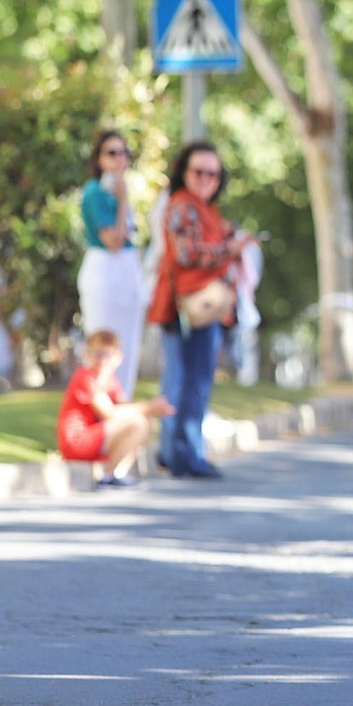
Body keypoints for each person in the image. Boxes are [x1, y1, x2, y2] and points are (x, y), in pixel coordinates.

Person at [148, 142, 252, 479]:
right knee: (187, 381)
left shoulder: (207, 209)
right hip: (186, 307)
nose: (207, 179)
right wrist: (228, 248)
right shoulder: (182, 206)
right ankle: (183, 453)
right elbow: (185, 254)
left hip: (204, 308)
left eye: (213, 173)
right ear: (184, 172)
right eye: (199, 172)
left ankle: (179, 450)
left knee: (192, 380)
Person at [78, 130, 147, 398]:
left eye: (124, 152)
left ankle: (120, 411)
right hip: (106, 273)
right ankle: (100, 419)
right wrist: (122, 200)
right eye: (112, 153)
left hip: (126, 272)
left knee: (125, 349)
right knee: (104, 347)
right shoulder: (96, 191)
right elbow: (114, 241)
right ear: (99, 158)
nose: (120, 158)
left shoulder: (116, 189)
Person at [57, 330, 173, 487]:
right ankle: (111, 474)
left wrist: (150, 409)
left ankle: (117, 472)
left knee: (143, 420)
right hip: (78, 441)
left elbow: (123, 407)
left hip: (95, 437)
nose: (103, 361)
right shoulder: (85, 377)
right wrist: (148, 407)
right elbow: (110, 412)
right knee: (137, 422)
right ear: (87, 354)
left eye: (108, 355)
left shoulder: (109, 380)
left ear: (118, 357)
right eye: (98, 354)